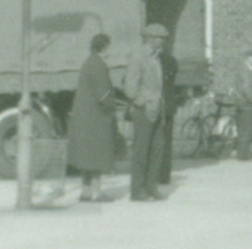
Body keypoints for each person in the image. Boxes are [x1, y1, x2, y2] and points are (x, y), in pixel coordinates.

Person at [70, 34, 120, 202]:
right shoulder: (98, 65)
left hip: (85, 117)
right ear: (104, 47)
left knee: (86, 156)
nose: (111, 51)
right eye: (109, 47)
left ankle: (85, 191)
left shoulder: (89, 62)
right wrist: (113, 106)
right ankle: (97, 192)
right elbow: (103, 94)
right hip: (96, 117)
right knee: (97, 155)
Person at [123, 23, 170, 201]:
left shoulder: (157, 57)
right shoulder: (138, 56)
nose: (163, 41)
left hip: (158, 110)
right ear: (149, 38)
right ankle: (137, 191)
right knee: (141, 151)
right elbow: (130, 89)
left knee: (158, 149)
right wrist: (142, 102)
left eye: (164, 38)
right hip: (143, 111)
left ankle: (151, 187)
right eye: (160, 38)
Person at [230, 50, 252, 160]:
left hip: (243, 103)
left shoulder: (247, 69)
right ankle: (244, 155)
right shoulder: (246, 70)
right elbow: (247, 88)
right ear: (248, 57)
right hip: (247, 104)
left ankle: (244, 153)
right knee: (246, 130)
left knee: (244, 129)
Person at [155, 43, 179, 187]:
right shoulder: (172, 61)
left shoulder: (154, 61)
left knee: (155, 141)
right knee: (166, 142)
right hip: (169, 105)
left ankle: (155, 174)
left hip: (157, 105)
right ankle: (164, 176)